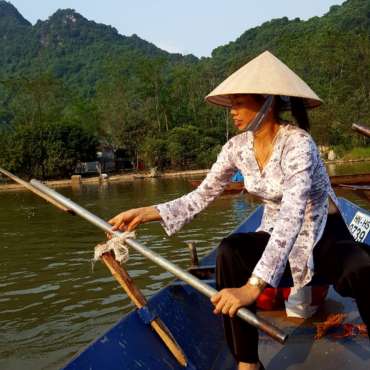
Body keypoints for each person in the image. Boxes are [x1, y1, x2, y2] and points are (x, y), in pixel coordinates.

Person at [108, 51, 370, 370]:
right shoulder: (236, 148)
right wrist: (148, 212)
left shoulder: (298, 143)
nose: (232, 112)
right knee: (230, 250)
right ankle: (247, 361)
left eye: (239, 103)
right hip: (277, 237)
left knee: (360, 267)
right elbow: (203, 194)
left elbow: (293, 215)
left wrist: (253, 288)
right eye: (231, 104)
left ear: (267, 104)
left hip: (323, 236)